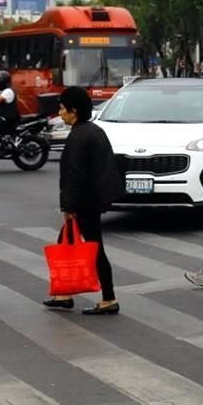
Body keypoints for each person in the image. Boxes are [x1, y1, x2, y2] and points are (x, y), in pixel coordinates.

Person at [43, 87, 122, 315]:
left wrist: (68, 206)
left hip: (85, 202)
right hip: (93, 199)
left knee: (95, 248)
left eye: (62, 108)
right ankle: (64, 293)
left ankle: (108, 298)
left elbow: (75, 175)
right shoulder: (93, 130)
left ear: (73, 111)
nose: (60, 113)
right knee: (66, 243)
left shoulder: (79, 135)